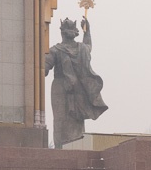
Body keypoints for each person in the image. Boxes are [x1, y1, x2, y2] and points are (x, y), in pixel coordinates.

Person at [44, 18, 107, 148]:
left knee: (66, 120)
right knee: (68, 120)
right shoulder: (78, 49)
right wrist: (87, 32)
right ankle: (70, 148)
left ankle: (65, 148)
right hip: (69, 88)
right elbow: (88, 47)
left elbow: (43, 68)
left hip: (63, 87)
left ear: (62, 32)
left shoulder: (56, 50)